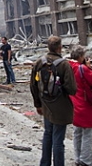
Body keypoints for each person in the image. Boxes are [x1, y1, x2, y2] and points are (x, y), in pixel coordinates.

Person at [30, 35, 77, 166]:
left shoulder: (39, 62)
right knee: (58, 140)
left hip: (45, 104)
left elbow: (33, 85)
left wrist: (37, 104)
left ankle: (44, 163)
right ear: (59, 47)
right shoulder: (64, 64)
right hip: (61, 106)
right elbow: (72, 89)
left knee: (47, 134)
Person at [68, 45, 92, 166]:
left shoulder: (68, 67)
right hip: (84, 103)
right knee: (87, 133)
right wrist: (89, 68)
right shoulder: (82, 68)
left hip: (73, 103)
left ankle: (77, 158)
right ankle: (85, 160)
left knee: (77, 132)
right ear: (81, 56)